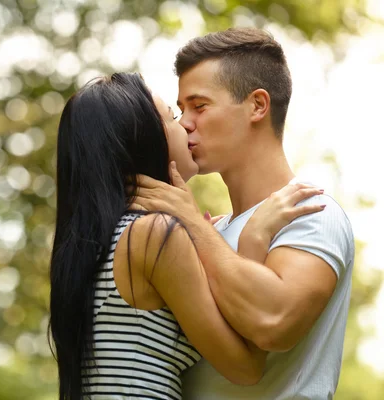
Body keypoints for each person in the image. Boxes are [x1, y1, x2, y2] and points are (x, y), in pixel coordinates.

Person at [48, 72, 325, 400]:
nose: (187, 126)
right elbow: (246, 367)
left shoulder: (98, 240)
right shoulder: (152, 235)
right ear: (144, 139)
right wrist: (253, 236)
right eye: (173, 116)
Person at [132, 28, 355, 399]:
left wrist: (191, 224)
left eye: (199, 106)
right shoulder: (211, 230)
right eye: (181, 109)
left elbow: (273, 323)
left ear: (257, 105)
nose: (185, 122)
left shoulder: (312, 212)